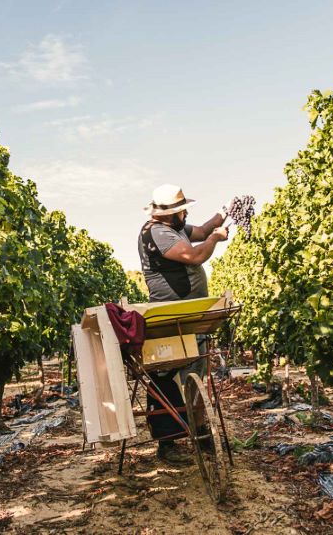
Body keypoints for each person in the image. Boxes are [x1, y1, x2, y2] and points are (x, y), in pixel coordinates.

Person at [137, 184, 229, 463]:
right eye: (181, 210)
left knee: (197, 371)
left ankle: (201, 434)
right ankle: (168, 444)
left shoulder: (175, 227)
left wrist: (222, 214)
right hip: (170, 315)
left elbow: (200, 231)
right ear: (168, 215)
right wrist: (215, 238)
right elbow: (196, 254)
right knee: (166, 375)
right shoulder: (157, 232)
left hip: (188, 314)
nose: (185, 213)